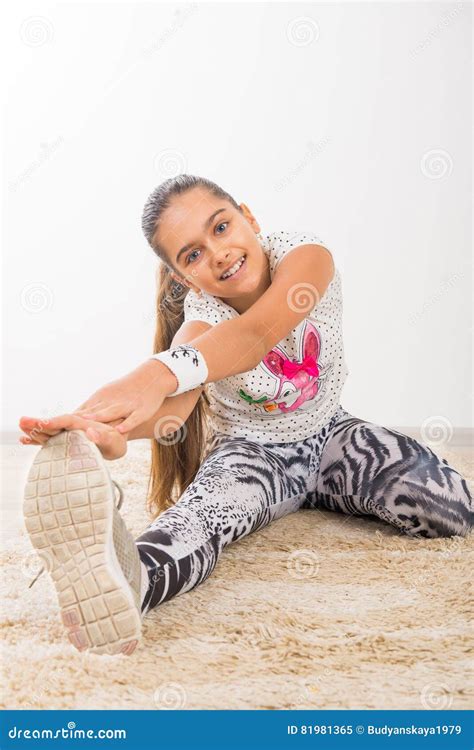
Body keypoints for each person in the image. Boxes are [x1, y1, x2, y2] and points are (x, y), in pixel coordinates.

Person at [19, 175, 473, 657]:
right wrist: (109, 434)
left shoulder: (304, 256)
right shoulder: (201, 318)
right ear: (182, 278)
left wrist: (152, 375)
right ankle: (120, 578)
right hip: (252, 455)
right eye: (192, 255)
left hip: (332, 436)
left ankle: (326, 493)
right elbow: (172, 416)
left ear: (249, 218)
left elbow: (255, 335)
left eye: (221, 227)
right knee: (201, 524)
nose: (217, 253)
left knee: (450, 507)